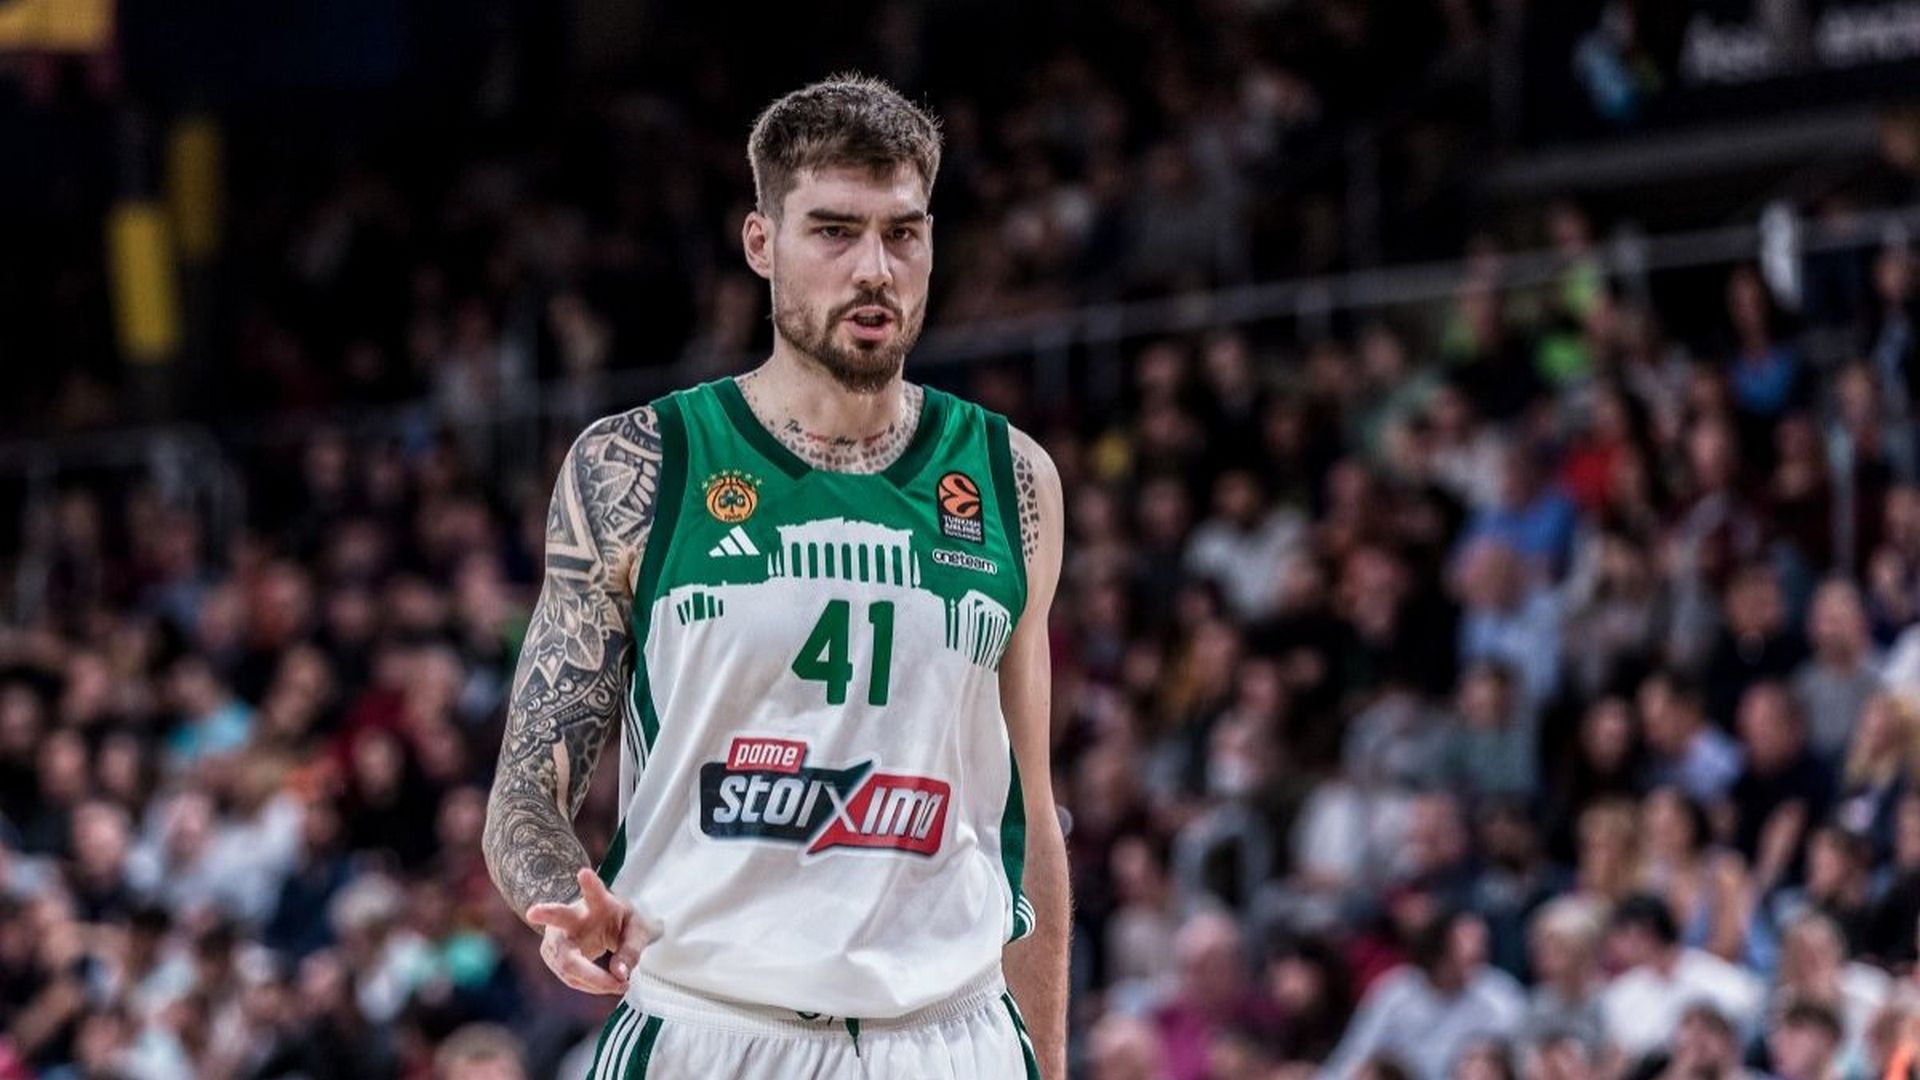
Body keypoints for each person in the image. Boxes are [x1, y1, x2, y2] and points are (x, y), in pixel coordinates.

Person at [480, 74, 1069, 1079]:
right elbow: (526, 793)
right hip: (710, 1028)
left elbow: (1028, 820)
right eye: (834, 232)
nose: (874, 269)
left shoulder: (1013, 480)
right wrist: (561, 894)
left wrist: (1047, 1063)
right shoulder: (640, 464)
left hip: (952, 1037)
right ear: (761, 243)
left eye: (902, 234)